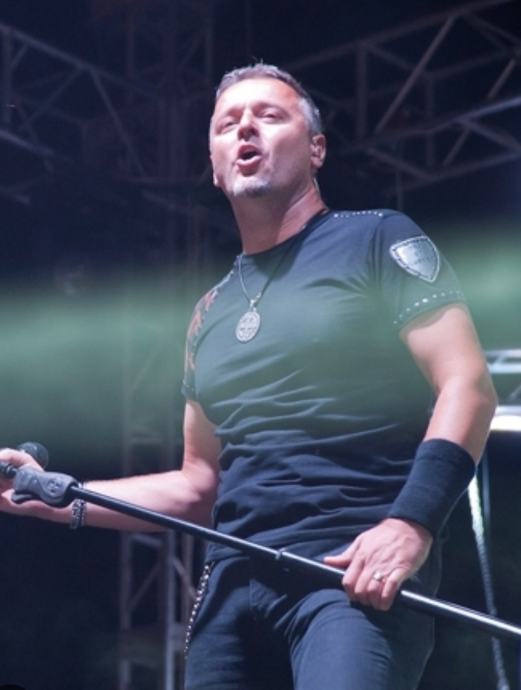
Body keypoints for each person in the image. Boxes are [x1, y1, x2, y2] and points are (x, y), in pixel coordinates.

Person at [0, 64, 497, 690]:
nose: (245, 130)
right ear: (214, 166)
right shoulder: (209, 313)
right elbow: (197, 485)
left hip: (349, 573)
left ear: (316, 149)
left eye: (269, 115)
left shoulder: (377, 238)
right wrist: (57, 497)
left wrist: (413, 523)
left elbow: (468, 385)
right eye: (227, 124)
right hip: (230, 592)